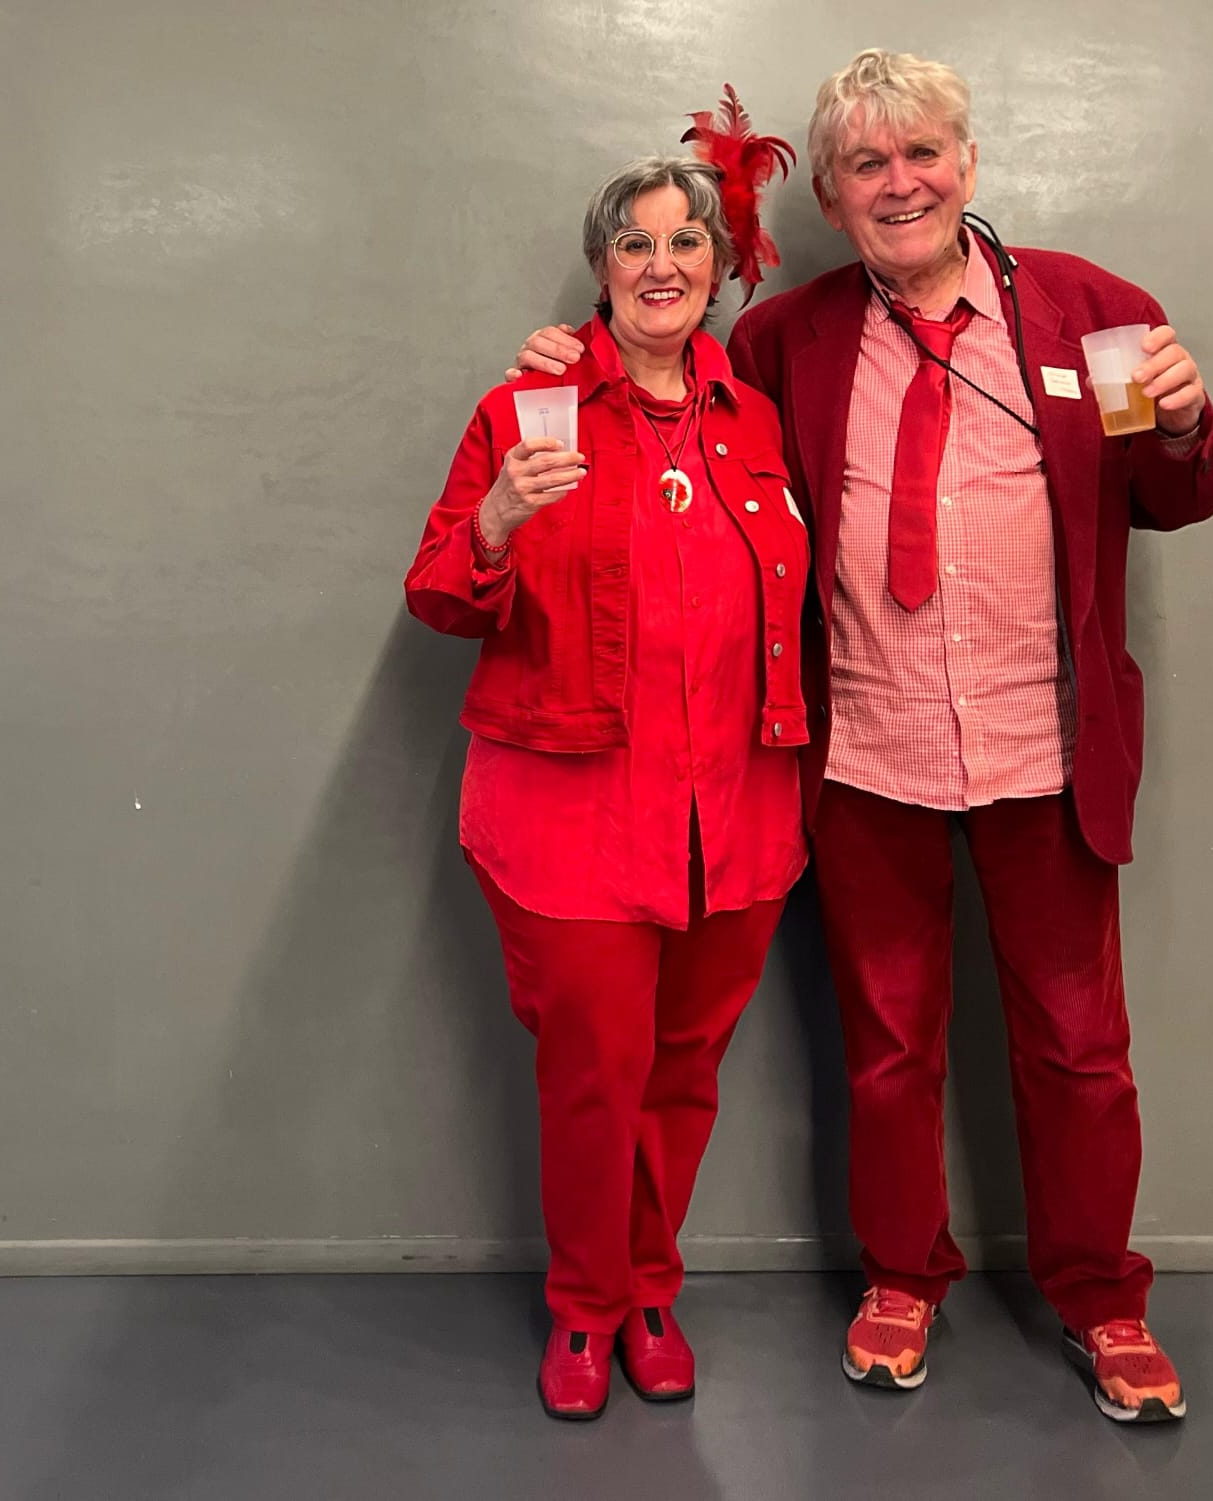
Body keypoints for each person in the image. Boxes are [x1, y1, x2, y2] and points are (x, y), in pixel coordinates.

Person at [506, 50, 1213, 1424]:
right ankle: (903, 1275)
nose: (901, 184)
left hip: (1045, 748)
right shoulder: (789, 339)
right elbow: (672, 405)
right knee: (890, 1047)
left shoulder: (1092, 313)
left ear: (967, 163)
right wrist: (568, 357)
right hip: (867, 753)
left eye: (923, 154)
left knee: (1080, 1047)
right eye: (866, 165)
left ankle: (1102, 1297)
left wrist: (1189, 426)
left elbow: (1171, 493)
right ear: (832, 199)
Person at [406, 108, 807, 1422]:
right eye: (634, 241)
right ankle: (587, 1305)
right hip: (570, 812)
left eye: (687, 240)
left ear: (719, 268)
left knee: (684, 1069)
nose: (661, 261)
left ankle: (649, 1289)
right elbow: (438, 594)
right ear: (601, 267)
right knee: (593, 1074)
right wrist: (497, 518)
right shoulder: (525, 409)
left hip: (734, 810)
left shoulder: (759, 421)